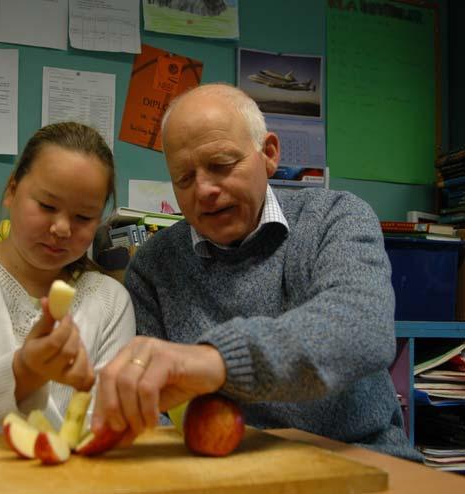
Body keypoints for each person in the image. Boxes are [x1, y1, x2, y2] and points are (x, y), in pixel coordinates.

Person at [91, 83, 421, 461]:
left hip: (359, 456)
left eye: (221, 165)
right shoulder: (153, 266)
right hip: (228, 470)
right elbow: (160, 417)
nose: (204, 190)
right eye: (184, 178)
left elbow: (361, 329)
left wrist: (215, 361)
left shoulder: (336, 218)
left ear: (268, 154)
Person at [0, 122, 135, 428]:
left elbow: (103, 421)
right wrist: (24, 370)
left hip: (75, 474)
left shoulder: (110, 300)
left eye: (83, 217)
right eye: (47, 205)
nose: (62, 228)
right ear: (12, 190)